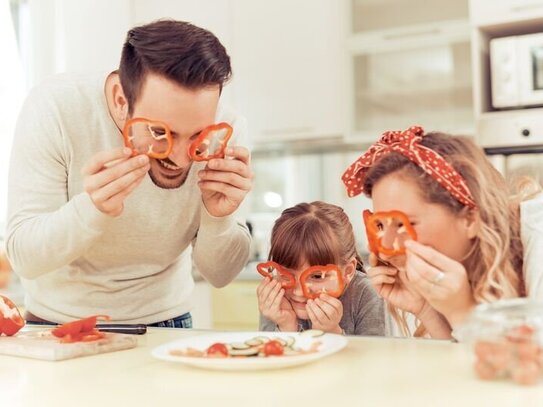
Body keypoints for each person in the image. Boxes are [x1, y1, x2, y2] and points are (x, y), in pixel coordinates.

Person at [5, 20, 253, 327]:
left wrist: (219, 218)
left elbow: (220, 274)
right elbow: (25, 258)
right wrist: (91, 208)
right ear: (122, 101)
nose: (179, 157)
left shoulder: (224, 133)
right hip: (58, 325)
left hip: (168, 323)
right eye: (161, 132)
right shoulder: (56, 108)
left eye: (196, 134)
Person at [342, 125, 543, 339]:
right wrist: (427, 310)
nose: (386, 250)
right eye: (380, 225)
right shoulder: (470, 261)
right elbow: (473, 364)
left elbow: (525, 370)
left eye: (402, 224)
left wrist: (462, 311)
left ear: (469, 219)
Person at [258, 201, 386, 335]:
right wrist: (286, 326)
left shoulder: (366, 293)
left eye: (317, 276)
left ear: (347, 271)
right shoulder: (275, 297)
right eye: (286, 274)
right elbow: (267, 353)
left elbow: (375, 355)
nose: (299, 292)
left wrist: (332, 332)